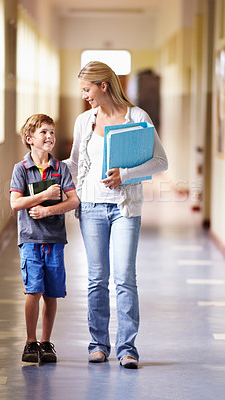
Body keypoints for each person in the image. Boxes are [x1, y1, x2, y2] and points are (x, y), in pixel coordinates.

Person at [64, 61, 168, 369]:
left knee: (124, 278)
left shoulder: (137, 117)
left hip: (125, 209)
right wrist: (41, 169)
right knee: (97, 278)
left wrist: (126, 174)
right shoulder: (85, 120)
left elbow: (160, 162)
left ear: (104, 85)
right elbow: (74, 163)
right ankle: (98, 345)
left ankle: (127, 349)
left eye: (87, 89)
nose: (85, 96)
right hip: (92, 206)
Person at [10, 113, 80, 363]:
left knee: (51, 293)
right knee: (33, 290)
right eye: (44, 133)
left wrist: (49, 209)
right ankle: (30, 342)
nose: (50, 136)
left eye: (52, 132)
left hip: (55, 239)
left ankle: (46, 342)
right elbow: (15, 203)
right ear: (29, 139)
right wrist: (44, 195)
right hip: (30, 238)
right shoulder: (22, 169)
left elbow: (73, 200)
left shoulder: (60, 168)